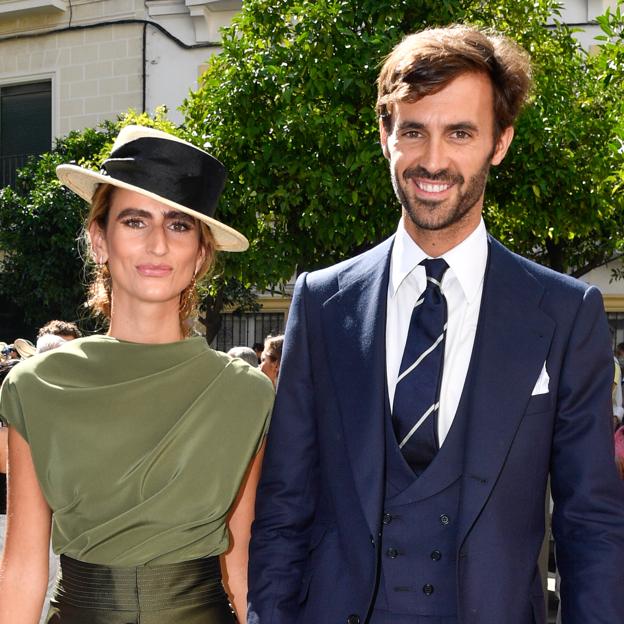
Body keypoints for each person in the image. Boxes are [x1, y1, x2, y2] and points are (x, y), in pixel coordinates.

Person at [248, 25, 624, 624]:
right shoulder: (321, 302)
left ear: (499, 142)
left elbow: (590, 524)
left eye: (460, 133)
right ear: (385, 135)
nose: (433, 159)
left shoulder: (564, 312)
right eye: (414, 131)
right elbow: (284, 507)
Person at [0, 125, 274, 624]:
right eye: (134, 220)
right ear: (99, 239)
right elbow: (22, 566)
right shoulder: (36, 386)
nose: (156, 244)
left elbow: (240, 558)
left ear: (201, 253)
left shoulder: (245, 393)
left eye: (178, 225)